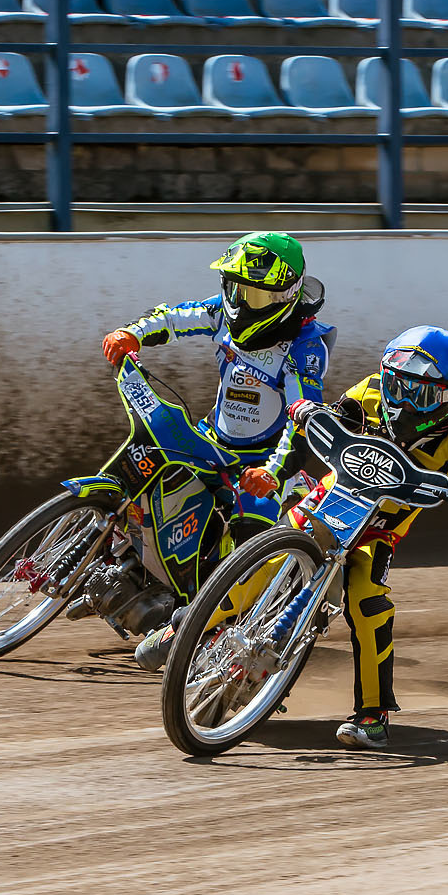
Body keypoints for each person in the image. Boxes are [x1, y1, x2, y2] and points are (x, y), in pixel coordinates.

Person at [268, 326, 448, 750]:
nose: (400, 401)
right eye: (394, 385)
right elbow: (332, 417)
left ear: (445, 397)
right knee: (272, 548)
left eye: (417, 394)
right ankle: (194, 627)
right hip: (323, 502)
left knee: (368, 601)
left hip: (378, 532)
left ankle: (373, 714)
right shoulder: (368, 393)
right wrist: (309, 414)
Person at [101, 232, 337, 670]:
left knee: (248, 544)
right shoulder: (224, 309)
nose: (243, 301)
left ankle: (206, 631)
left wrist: (272, 472)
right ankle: (118, 554)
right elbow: (174, 317)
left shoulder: (304, 347)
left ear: (286, 295)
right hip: (212, 438)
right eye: (237, 287)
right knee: (144, 469)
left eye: (257, 294)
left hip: (265, 466)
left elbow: (305, 419)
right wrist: (131, 333)